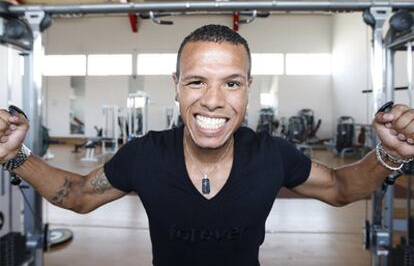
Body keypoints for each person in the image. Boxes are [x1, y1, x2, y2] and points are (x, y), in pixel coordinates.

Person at [1, 24, 414, 266]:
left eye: (231, 83)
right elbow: (77, 195)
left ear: (248, 89)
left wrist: (391, 153)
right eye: (197, 81)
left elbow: (343, 189)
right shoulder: (145, 155)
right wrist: (13, 154)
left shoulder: (273, 155)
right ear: (177, 88)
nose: (213, 100)